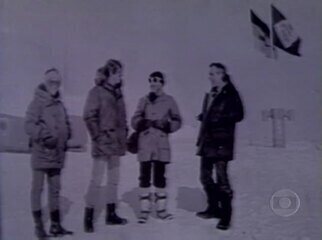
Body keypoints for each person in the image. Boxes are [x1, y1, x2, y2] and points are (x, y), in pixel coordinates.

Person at [25, 68, 73, 239]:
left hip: (57, 155)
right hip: (41, 154)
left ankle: (55, 225)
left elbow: (66, 123)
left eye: (57, 82)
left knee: (55, 190)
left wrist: (67, 133)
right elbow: (29, 125)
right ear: (45, 82)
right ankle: (38, 227)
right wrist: (44, 135)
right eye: (51, 81)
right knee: (37, 189)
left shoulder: (60, 104)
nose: (55, 85)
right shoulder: (37, 102)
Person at [196, 63, 244, 230]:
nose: (210, 77)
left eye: (213, 74)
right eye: (209, 74)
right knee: (205, 176)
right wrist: (205, 116)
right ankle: (213, 208)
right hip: (208, 141)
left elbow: (239, 114)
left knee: (222, 179)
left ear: (221, 74)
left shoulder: (230, 93)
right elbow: (212, 113)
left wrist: (219, 119)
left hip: (222, 142)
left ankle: (226, 216)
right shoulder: (211, 94)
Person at [83, 59, 128, 233]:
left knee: (114, 181)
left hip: (116, 144)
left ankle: (111, 214)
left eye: (121, 73)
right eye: (117, 73)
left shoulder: (119, 94)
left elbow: (122, 119)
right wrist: (98, 136)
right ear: (109, 74)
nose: (120, 76)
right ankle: (88, 217)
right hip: (102, 144)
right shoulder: (97, 92)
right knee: (96, 180)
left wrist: (125, 135)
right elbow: (89, 116)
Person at [131, 71, 182, 223]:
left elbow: (178, 120)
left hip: (161, 144)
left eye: (157, 81)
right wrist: (141, 123)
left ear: (162, 83)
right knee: (144, 176)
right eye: (151, 81)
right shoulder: (143, 100)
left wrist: (166, 125)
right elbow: (134, 119)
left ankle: (161, 210)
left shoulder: (169, 100)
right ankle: (144, 211)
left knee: (160, 177)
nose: (153, 84)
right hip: (145, 143)